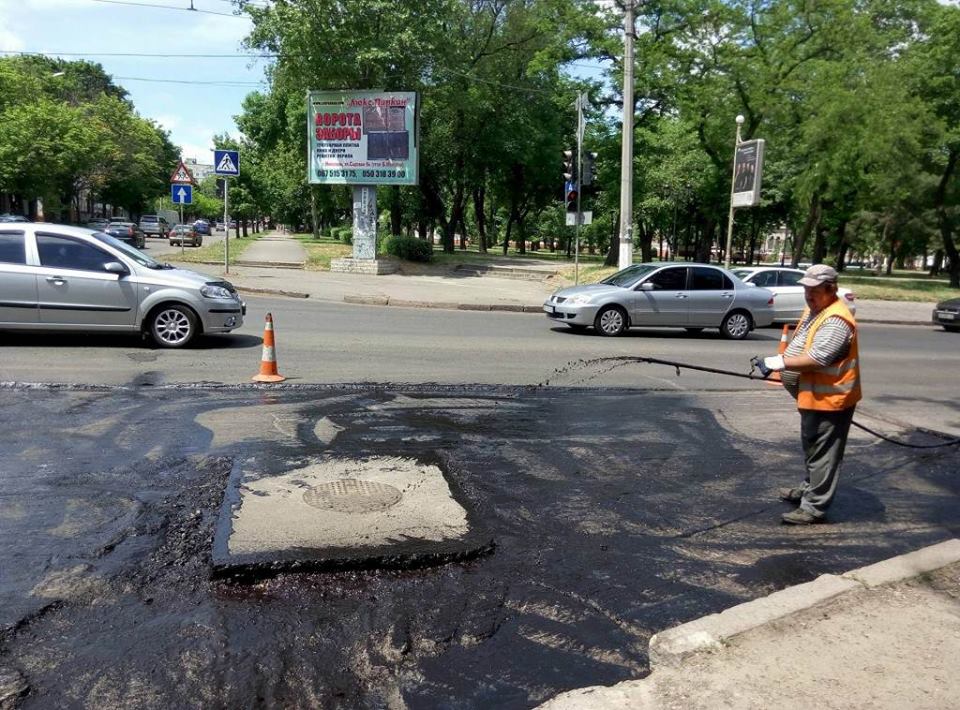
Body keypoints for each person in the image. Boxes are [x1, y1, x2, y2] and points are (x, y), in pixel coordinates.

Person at [759, 264, 862, 525]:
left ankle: (814, 507)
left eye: (814, 291)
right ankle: (810, 489)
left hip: (831, 399)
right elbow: (801, 342)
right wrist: (784, 361)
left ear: (831, 289)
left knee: (823, 453)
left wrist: (779, 363)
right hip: (812, 395)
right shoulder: (815, 309)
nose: (808, 295)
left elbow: (819, 357)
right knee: (813, 447)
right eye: (806, 289)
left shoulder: (837, 319)